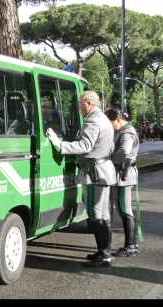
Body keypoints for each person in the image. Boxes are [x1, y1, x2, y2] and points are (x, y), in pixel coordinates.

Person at [46, 90, 116, 267]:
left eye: (80, 103)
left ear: (88, 104)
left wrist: (59, 144)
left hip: (94, 173)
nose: (78, 106)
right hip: (102, 171)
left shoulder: (93, 120)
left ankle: (104, 255)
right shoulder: (104, 119)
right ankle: (104, 251)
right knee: (103, 214)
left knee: (95, 215)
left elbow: (85, 145)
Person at [105, 108, 140, 257]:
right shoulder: (123, 130)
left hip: (123, 175)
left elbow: (124, 151)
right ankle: (132, 243)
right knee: (123, 209)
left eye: (110, 123)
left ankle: (130, 246)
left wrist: (109, 160)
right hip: (120, 173)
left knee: (125, 210)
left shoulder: (127, 132)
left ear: (118, 120)